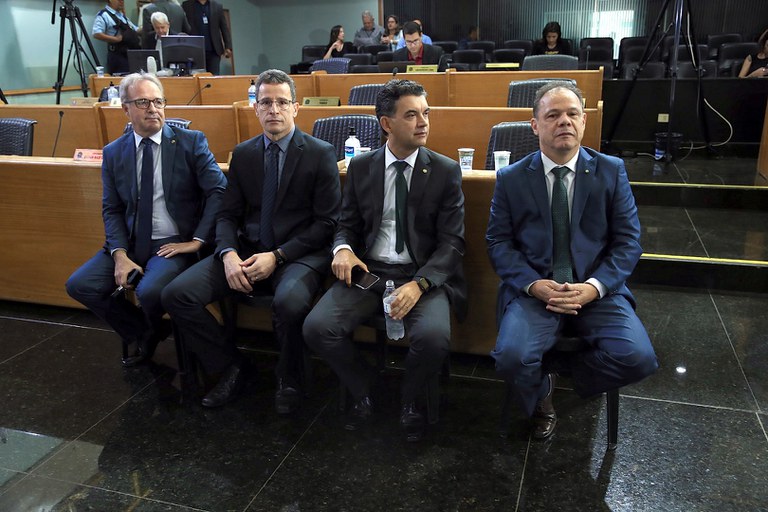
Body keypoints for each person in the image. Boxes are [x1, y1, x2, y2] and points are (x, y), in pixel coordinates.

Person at [486, 81, 658, 440]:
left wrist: (594, 287)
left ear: (583, 122)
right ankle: (541, 393)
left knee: (638, 358)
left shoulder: (611, 170)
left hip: (596, 289)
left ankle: (550, 376)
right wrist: (534, 284)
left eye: (572, 114)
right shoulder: (511, 178)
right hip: (537, 290)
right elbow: (499, 243)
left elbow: (628, 242)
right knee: (511, 358)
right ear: (535, 126)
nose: (564, 121)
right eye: (553, 115)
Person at [162, 69, 341, 413]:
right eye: (265, 102)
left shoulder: (320, 153)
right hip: (247, 249)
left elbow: (327, 223)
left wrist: (278, 256)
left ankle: (289, 379)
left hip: (298, 253)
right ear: (255, 108)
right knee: (177, 294)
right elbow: (227, 215)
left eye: (282, 102)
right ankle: (232, 366)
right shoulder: (243, 154)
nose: (274, 110)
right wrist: (228, 254)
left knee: (289, 302)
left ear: (296, 108)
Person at [303, 79, 467, 443]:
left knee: (434, 338)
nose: (423, 122)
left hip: (421, 274)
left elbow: (452, 243)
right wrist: (343, 249)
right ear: (386, 123)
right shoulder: (362, 166)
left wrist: (420, 284)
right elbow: (346, 224)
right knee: (317, 327)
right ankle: (366, 388)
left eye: (425, 113)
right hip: (370, 272)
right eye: (411, 115)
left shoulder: (444, 170)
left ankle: (410, 400)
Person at [66, 72, 226, 368]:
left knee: (149, 291)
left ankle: (147, 333)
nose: (153, 109)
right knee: (80, 285)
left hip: (173, 244)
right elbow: (112, 208)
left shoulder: (191, 142)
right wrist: (119, 254)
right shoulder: (114, 152)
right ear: (125, 108)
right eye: (143, 102)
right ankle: (144, 331)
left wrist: (197, 240)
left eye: (158, 101)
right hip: (131, 242)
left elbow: (219, 190)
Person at [181, 0, 232, 75]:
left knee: (214, 76)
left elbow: (224, 27)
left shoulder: (217, 6)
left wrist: (228, 46)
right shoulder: (187, 5)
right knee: (196, 76)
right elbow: (183, 26)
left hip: (214, 50)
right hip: (194, 50)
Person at [92, 0, 140, 74]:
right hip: (117, 55)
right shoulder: (104, 15)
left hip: (129, 54)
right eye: (119, 0)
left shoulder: (121, 15)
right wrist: (115, 39)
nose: (122, 2)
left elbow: (135, 29)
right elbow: (96, 33)